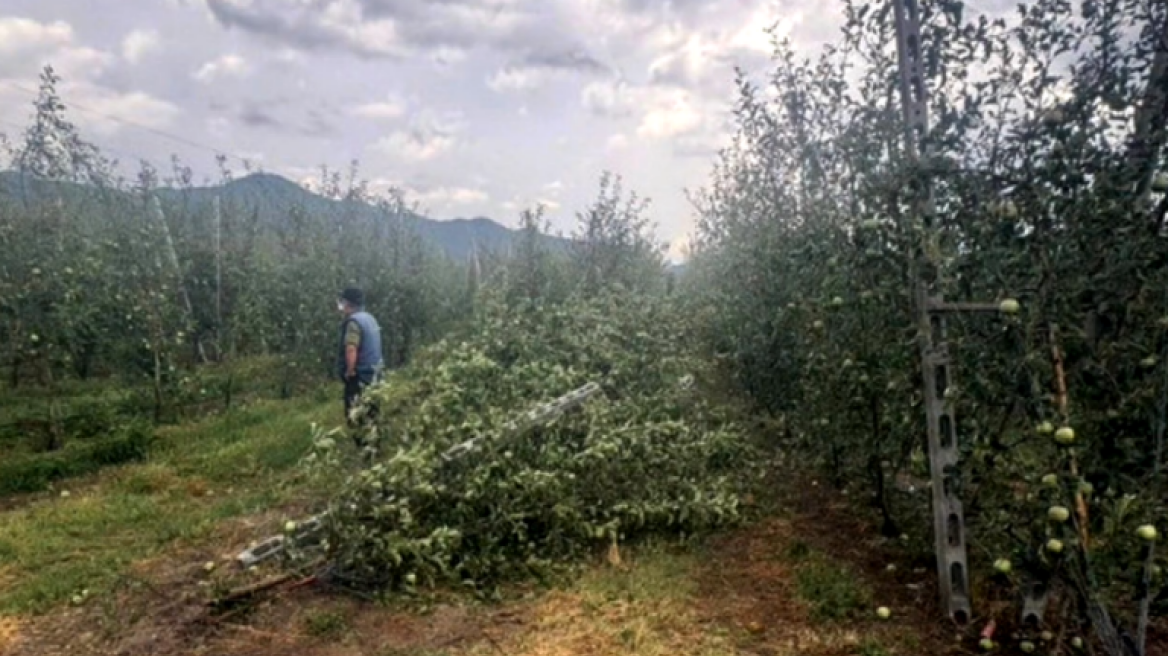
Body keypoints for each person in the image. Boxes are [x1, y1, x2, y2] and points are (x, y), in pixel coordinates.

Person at [336, 287, 384, 428]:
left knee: (355, 416)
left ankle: (362, 446)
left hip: (360, 377)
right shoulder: (370, 319)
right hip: (376, 374)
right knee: (373, 414)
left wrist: (350, 371)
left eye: (342, 302)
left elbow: (351, 347)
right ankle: (374, 446)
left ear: (347, 303)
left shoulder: (354, 322)